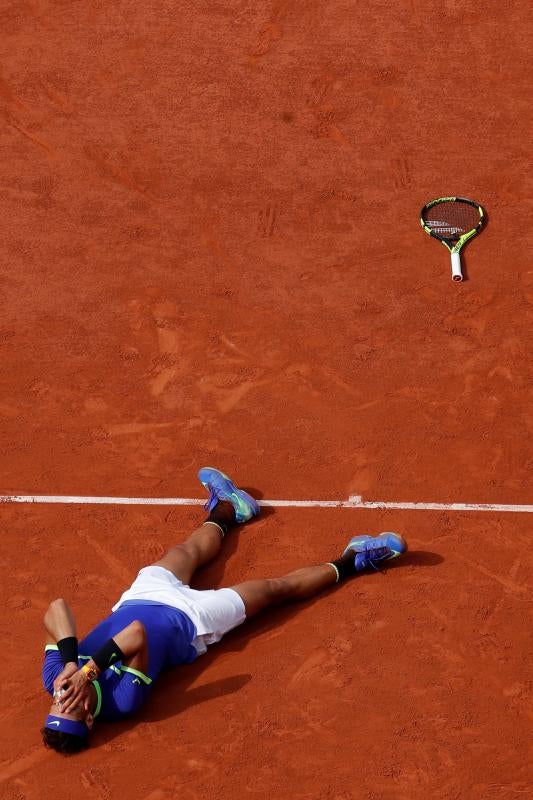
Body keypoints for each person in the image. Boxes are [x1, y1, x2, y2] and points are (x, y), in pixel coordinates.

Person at [41, 468, 407, 754]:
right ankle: (352, 560)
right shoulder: (123, 702)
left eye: (58, 702)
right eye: (71, 707)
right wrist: (87, 672)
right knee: (273, 590)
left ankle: (231, 507)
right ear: (89, 719)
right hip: (193, 621)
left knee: (188, 549)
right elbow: (135, 633)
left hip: (140, 596)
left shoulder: (56, 678)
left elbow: (55, 610)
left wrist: (70, 664)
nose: (65, 696)